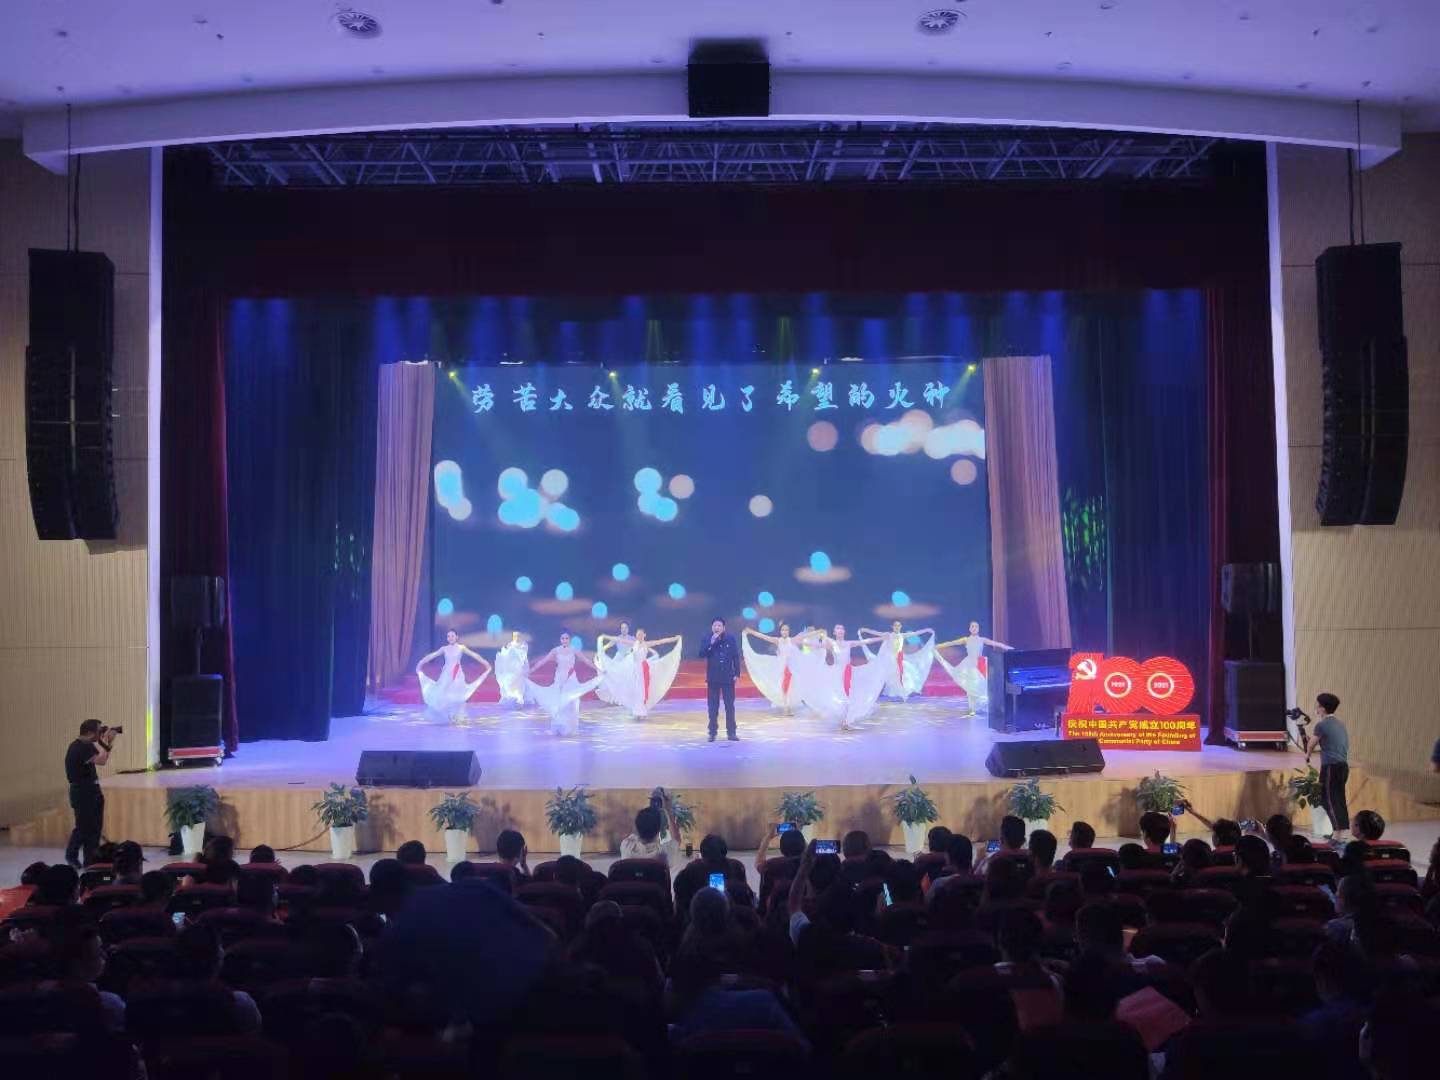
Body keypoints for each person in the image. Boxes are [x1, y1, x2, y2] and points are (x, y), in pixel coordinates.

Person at [64, 718, 120, 869]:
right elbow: (101, 760)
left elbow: (102, 759)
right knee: (83, 827)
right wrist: (108, 742)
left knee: (95, 828)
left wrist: (107, 743)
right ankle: (71, 855)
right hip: (82, 792)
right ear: (89, 732)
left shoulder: (87, 745)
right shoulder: (79, 747)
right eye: (99, 730)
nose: (100, 733)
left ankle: (91, 860)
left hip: (92, 790)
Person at [524, 631, 602, 737]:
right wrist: (531, 670)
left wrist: (599, 669)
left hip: (571, 679)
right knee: (560, 702)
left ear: (569, 640)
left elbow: (586, 661)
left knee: (571, 702)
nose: (565, 640)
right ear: (560, 640)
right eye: (563, 638)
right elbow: (543, 661)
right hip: (560, 678)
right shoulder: (556, 650)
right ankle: (559, 725)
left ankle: (569, 727)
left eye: (566, 638)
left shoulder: (574, 650)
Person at [601, 628, 684, 720]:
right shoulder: (633, 643)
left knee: (642, 691)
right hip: (634, 670)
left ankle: (641, 711)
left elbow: (661, 641)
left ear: (644, 635)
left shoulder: (647, 644)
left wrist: (675, 638)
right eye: (638, 634)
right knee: (636, 690)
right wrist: (606, 636)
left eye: (641, 634)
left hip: (643, 670)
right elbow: (619, 640)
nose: (639, 636)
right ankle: (637, 711)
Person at [415, 628, 492, 723]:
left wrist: (485, 663)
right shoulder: (444, 648)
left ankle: (456, 716)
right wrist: (420, 663)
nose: (450, 638)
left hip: (457, 675)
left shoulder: (461, 647)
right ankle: (447, 715)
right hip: (446, 675)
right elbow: (432, 655)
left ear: (456, 637)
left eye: (452, 636)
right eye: (448, 636)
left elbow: (474, 655)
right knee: (444, 695)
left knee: (456, 695)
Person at [934, 620, 1012, 710]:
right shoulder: (966, 640)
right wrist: (938, 646)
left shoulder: (982, 640)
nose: (974, 628)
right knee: (970, 686)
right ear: (969, 629)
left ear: (978, 629)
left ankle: (982, 706)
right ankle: (972, 708)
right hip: (969, 665)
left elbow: (995, 643)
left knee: (982, 686)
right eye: (972, 626)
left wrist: (1007, 647)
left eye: (976, 626)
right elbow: (951, 643)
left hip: (980, 664)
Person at [857, 620, 936, 701]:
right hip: (890, 660)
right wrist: (865, 630)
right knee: (892, 677)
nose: (897, 627)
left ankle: (903, 694)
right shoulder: (888, 635)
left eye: (898, 625)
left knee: (905, 675)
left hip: (899, 659)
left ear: (901, 626)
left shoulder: (903, 635)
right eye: (895, 625)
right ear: (892, 627)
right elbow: (876, 633)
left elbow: (915, 633)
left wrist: (926, 630)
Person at [1310, 691, 1350, 840]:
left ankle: (1338, 833)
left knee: (1328, 799)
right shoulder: (1339, 724)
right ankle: (1341, 832)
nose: (1316, 707)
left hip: (1331, 768)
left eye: (1317, 705)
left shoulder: (1321, 725)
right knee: (1338, 799)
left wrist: (1307, 753)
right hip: (1342, 766)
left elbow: (1310, 746)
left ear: (1322, 708)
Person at [741, 622, 802, 714]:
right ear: (780, 631)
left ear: (789, 631)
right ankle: (786, 707)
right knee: (784, 686)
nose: (784, 631)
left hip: (791, 666)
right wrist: (751, 631)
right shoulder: (777, 640)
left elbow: (805, 636)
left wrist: (818, 632)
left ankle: (788, 705)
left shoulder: (792, 640)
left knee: (790, 686)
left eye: (786, 630)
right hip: (781, 666)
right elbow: (763, 636)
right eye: (783, 630)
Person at [699, 617, 741, 741]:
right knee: (712, 707)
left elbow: (735, 656)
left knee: (729, 706)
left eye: (719, 626)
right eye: (715, 625)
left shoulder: (730, 638)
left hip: (728, 677)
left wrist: (737, 673)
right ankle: (712, 732)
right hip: (713, 678)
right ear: (712, 627)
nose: (717, 628)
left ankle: (731, 732)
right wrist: (711, 643)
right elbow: (701, 654)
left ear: (724, 627)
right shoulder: (707, 638)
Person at [619, 791, 680, 865]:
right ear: (658, 831)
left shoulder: (626, 847)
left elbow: (633, 835)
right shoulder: (663, 853)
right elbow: (676, 839)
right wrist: (668, 810)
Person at [493, 630, 532, 706]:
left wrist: (523, 664)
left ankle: (519, 698)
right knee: (511, 682)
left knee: (519, 682)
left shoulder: (523, 645)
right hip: (512, 667)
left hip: (519, 666)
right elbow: (507, 655)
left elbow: (524, 655)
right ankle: (514, 697)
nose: (516, 637)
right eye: (515, 636)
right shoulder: (510, 644)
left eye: (517, 636)